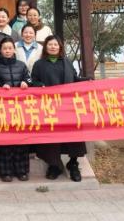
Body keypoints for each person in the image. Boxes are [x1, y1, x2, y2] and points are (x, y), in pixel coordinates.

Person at [31, 35, 88, 182]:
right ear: (46, 47)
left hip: (67, 106)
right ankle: (54, 165)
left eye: (55, 44)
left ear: (60, 47)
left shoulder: (67, 62)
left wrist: (87, 81)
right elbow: (34, 81)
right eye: (50, 44)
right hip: (49, 107)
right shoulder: (39, 64)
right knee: (52, 136)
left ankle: (73, 163)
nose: (53, 47)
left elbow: (74, 79)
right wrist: (39, 85)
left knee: (73, 135)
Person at [0, 38, 32, 182]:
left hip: (20, 108)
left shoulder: (21, 65)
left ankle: (22, 171)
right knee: (4, 140)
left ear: (14, 50)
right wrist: (0, 86)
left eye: (10, 48)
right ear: (1, 50)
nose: (7, 51)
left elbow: (29, 79)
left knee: (21, 139)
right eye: (5, 48)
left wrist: (25, 83)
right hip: (2, 108)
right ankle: (5, 172)